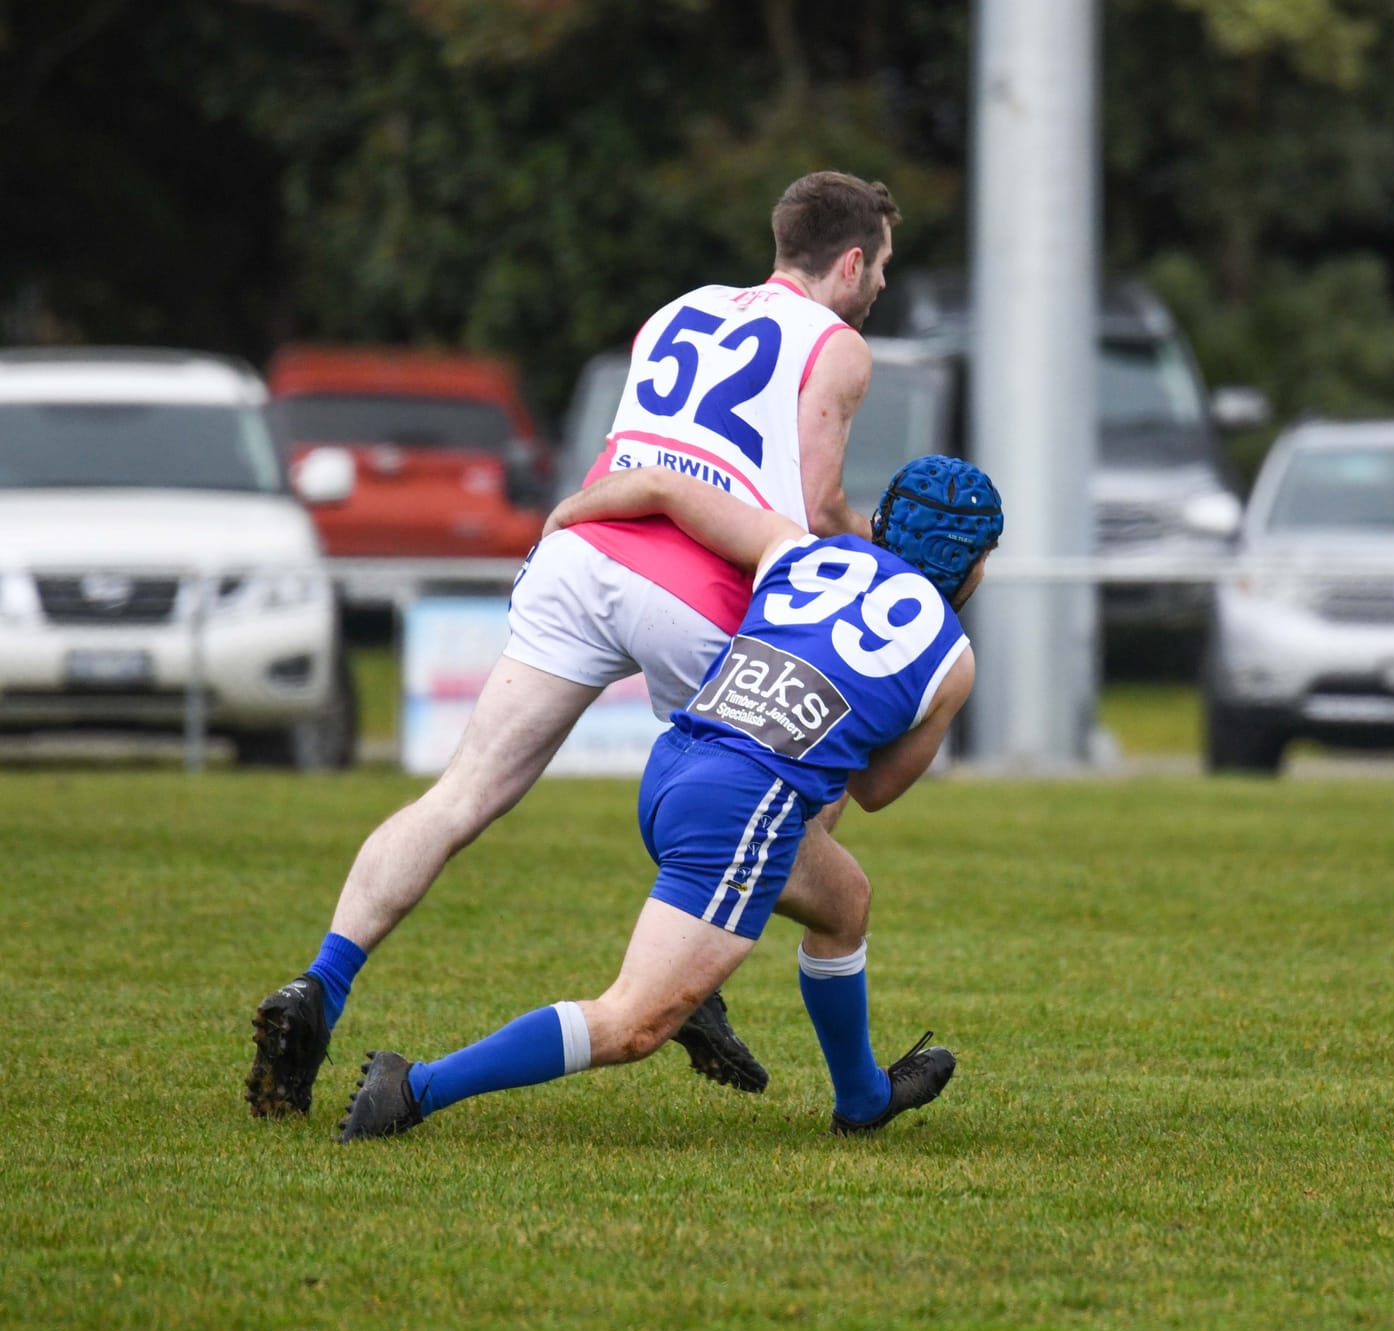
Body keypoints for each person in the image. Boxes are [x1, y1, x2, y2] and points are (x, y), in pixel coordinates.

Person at [247, 171, 902, 1119]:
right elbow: (815, 505)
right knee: (803, 788)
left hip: (584, 552)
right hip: (700, 591)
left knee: (458, 796)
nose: (879, 287)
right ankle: (696, 972)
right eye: (879, 268)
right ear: (850, 262)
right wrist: (894, 559)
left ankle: (321, 980)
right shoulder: (838, 345)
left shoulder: (678, 310)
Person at [335, 454, 1003, 1142]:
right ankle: (413, 1087)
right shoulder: (953, 660)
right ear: (973, 564)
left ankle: (863, 1098)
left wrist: (567, 515)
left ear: (882, 522)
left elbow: (664, 487)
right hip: (743, 807)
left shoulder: (804, 550)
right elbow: (875, 789)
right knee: (634, 1023)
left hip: (676, 766)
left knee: (843, 900)